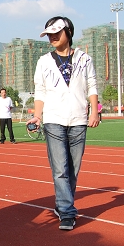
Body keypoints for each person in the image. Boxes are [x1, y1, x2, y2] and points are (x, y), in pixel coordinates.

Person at [26, 16, 99, 231]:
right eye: (49, 34)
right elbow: (40, 91)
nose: (52, 37)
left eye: (57, 32)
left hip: (78, 120)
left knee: (73, 169)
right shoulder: (44, 61)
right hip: (53, 120)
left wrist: (94, 111)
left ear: (69, 32)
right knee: (60, 169)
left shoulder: (85, 59)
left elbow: (92, 85)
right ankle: (67, 212)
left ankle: (62, 204)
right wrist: (37, 116)